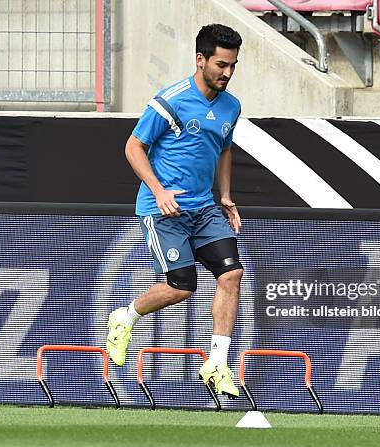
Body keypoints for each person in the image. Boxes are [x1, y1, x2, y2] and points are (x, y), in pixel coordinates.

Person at [106, 24, 244, 398]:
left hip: (204, 208)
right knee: (181, 286)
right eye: (221, 65)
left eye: (232, 66)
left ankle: (216, 362)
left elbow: (225, 148)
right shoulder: (171, 100)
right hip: (162, 209)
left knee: (232, 275)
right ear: (200, 60)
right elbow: (133, 148)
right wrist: (159, 189)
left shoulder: (231, 106)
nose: (227, 73)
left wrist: (226, 196)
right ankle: (125, 317)